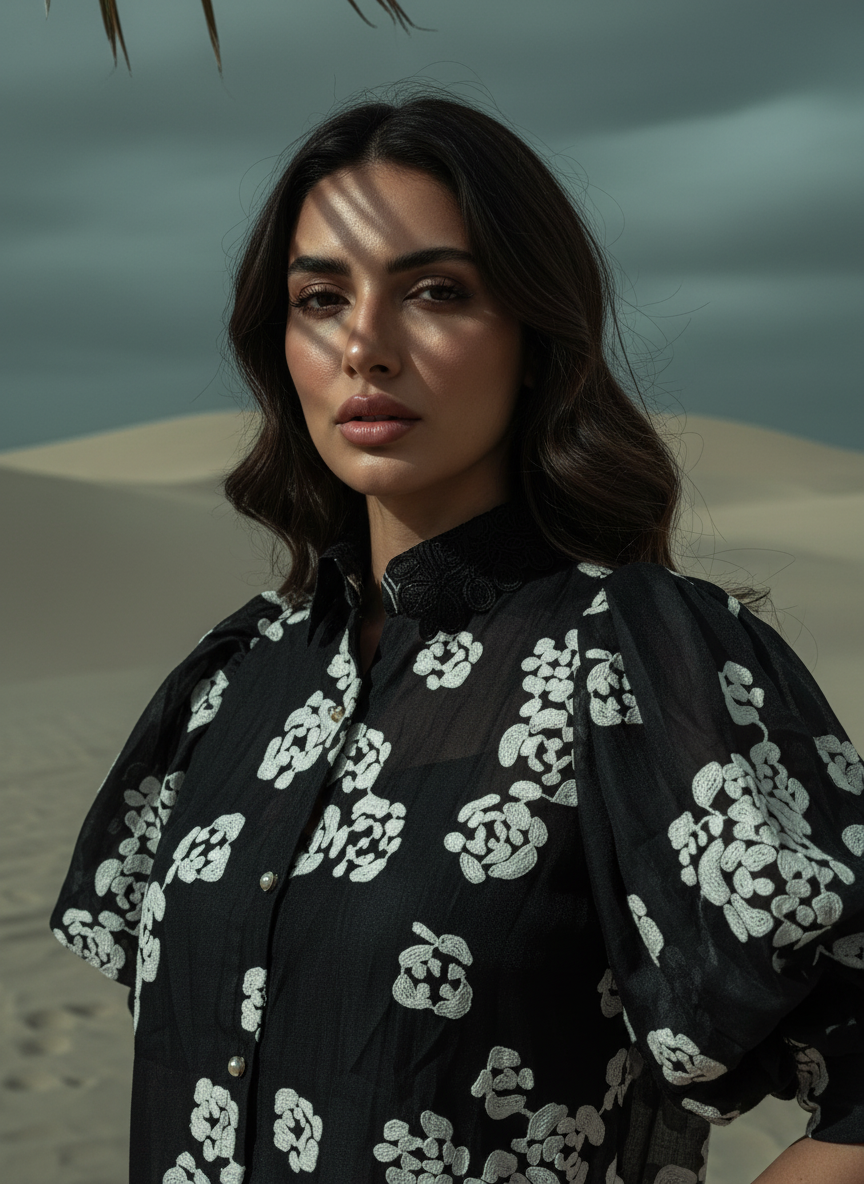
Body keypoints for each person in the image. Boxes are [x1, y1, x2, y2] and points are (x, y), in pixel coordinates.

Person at [51, 91, 864, 1184]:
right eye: (321, 298)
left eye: (436, 291)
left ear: (534, 334)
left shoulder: (631, 654)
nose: (367, 346)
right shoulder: (234, 680)